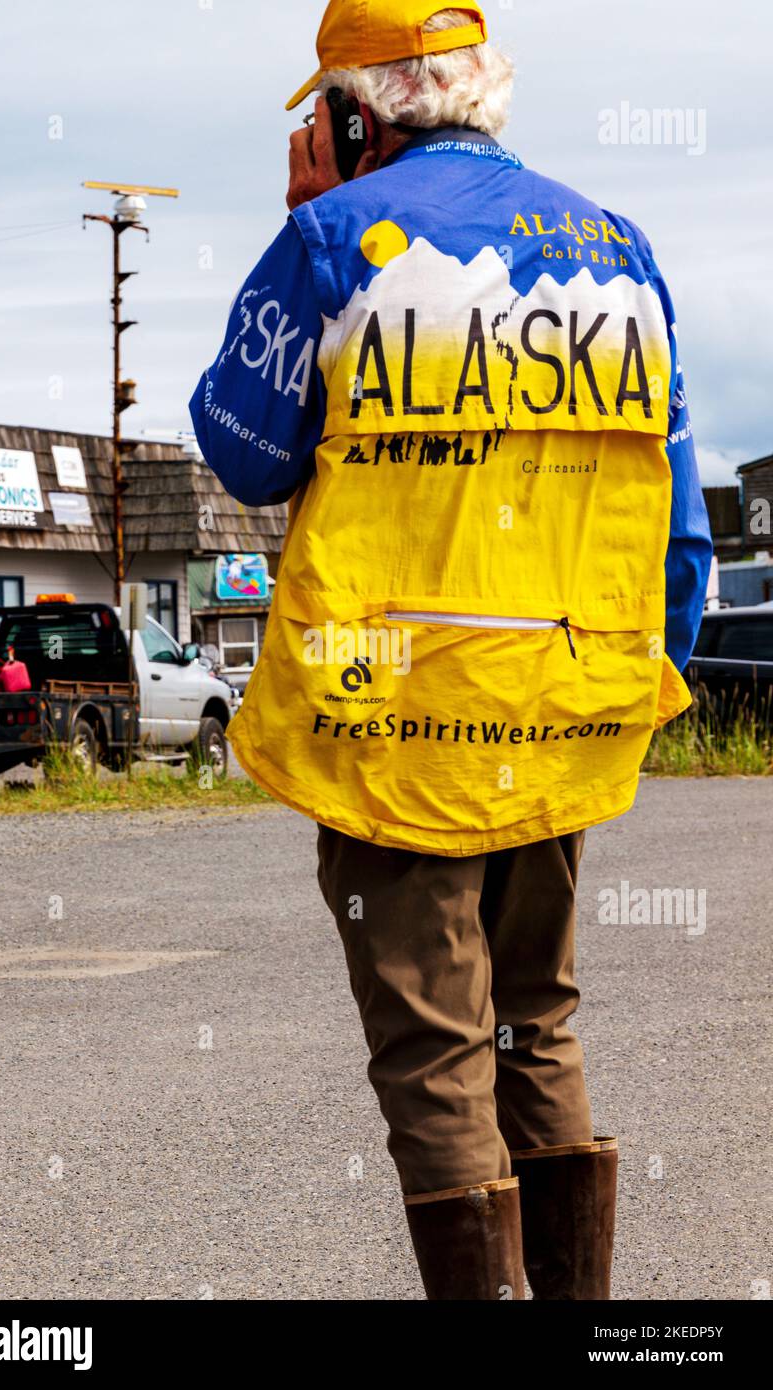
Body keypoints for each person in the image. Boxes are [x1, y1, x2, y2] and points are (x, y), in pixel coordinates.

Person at [190, 0, 713, 1300]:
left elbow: (242, 450)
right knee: (539, 1021)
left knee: (436, 1056)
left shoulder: (329, 244)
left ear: (360, 110)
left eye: (326, 111)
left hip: (398, 729)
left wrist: (295, 223)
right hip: (560, 711)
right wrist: (628, 694)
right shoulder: (620, 251)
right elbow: (679, 521)